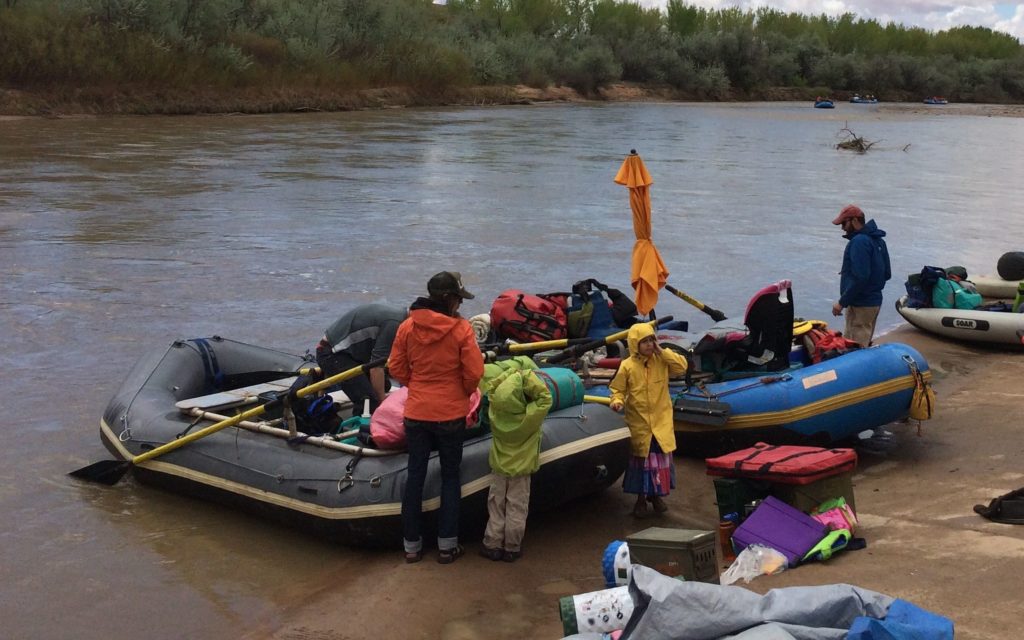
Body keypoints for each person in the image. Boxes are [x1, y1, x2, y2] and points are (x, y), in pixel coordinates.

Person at [389, 271, 484, 564]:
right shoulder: (461, 329)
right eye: (459, 298)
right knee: (450, 477)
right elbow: (474, 373)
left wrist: (416, 385)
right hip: (450, 414)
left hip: (416, 412)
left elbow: (396, 367)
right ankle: (447, 545)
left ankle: (411, 546)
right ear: (451, 300)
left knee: (415, 476)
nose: (460, 304)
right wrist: (462, 393)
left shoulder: (407, 326)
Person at [608, 323, 688, 518]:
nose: (649, 345)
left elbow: (682, 367)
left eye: (652, 340)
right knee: (642, 464)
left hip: (661, 422)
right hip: (640, 424)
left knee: (658, 463)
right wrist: (617, 401)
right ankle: (641, 499)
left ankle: (656, 496)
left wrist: (662, 351)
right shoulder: (627, 366)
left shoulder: (661, 361)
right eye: (644, 342)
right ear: (635, 344)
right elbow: (617, 389)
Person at [479, 357, 553, 563]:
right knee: (517, 507)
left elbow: (491, 389)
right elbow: (546, 397)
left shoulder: (495, 412)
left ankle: (492, 544)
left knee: (496, 506)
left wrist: (507, 376)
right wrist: (524, 375)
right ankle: (512, 547)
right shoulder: (531, 416)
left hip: (499, 469)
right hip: (521, 471)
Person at [315, 303, 407, 415]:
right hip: (331, 354)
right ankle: (360, 429)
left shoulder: (401, 315)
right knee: (369, 401)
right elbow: (376, 367)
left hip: (352, 354)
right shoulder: (394, 324)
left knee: (385, 386)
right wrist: (382, 404)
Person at [831, 204, 891, 347]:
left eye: (844, 223)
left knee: (854, 347)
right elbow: (887, 274)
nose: (842, 228)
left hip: (860, 304)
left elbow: (861, 277)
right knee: (864, 342)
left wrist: (842, 302)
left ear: (855, 221)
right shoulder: (879, 241)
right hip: (875, 302)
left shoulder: (859, 242)